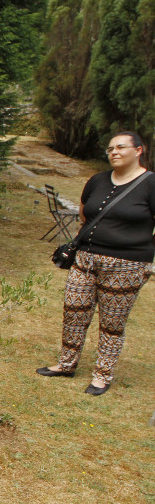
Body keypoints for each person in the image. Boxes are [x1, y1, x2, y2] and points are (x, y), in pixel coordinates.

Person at [36, 132, 154, 395]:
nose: (114, 152)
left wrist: (140, 250)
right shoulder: (97, 180)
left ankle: (102, 374)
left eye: (121, 147)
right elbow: (84, 212)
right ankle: (66, 364)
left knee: (112, 322)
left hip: (127, 265)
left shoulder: (150, 183)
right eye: (110, 148)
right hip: (86, 258)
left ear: (138, 150)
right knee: (74, 311)